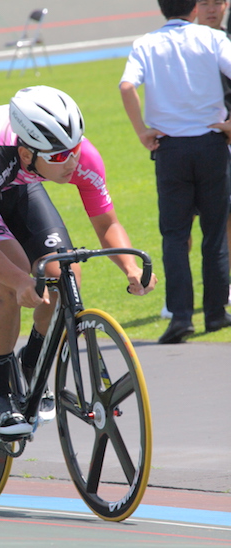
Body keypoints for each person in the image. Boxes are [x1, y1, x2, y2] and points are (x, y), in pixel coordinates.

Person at [0, 85, 157, 441]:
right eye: (58, 157)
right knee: (13, 278)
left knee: (64, 273)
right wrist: (21, 281)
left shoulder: (76, 157)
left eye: (73, 151)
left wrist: (130, 267)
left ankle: (30, 366)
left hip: (19, 182)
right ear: (26, 153)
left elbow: (107, 224)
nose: (71, 163)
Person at [119, 0, 231, 344]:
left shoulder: (146, 43)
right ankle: (215, 313)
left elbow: (127, 86)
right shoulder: (212, 39)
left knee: (174, 235)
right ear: (195, 8)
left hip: (170, 149)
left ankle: (180, 316)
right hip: (211, 143)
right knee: (214, 233)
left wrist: (141, 131)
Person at [197, 0, 231, 306]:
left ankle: (225, 284)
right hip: (193, 143)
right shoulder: (187, 45)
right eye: (203, 2)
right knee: (182, 223)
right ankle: (177, 298)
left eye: (215, 2)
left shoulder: (226, 41)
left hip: (225, 138)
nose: (210, 9)